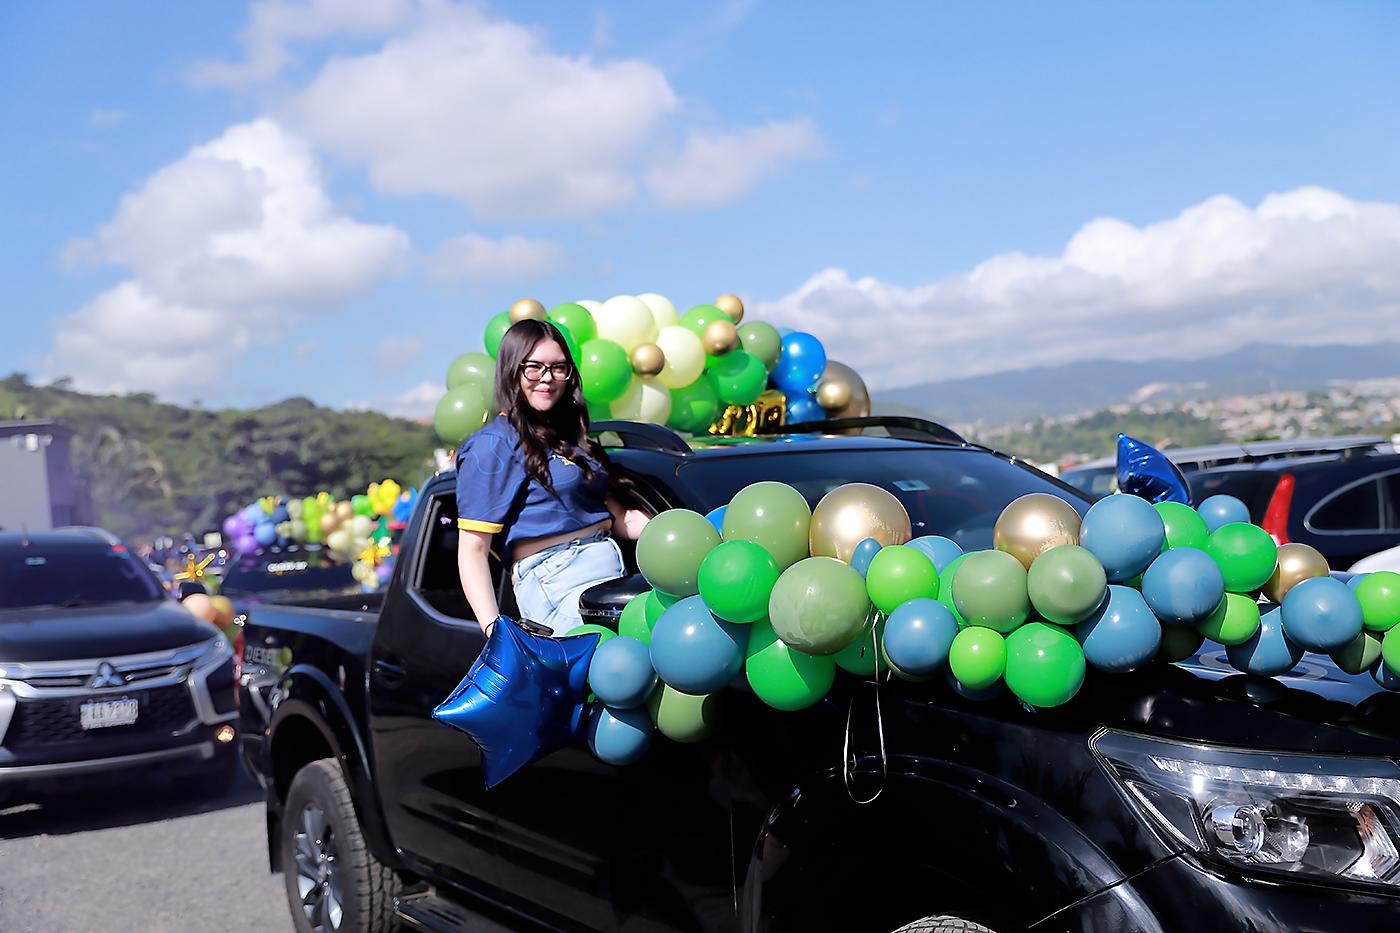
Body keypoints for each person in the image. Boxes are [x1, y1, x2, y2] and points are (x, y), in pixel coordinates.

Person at [455, 319, 650, 636]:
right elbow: (473, 551)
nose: (547, 378)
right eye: (534, 367)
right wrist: (495, 631)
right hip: (556, 581)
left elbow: (619, 518)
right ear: (511, 370)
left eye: (559, 368)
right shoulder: (492, 444)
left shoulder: (571, 441)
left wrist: (691, 527)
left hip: (609, 573)